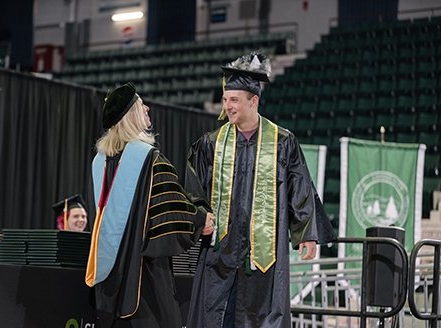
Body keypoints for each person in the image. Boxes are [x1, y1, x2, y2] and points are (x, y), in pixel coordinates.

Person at [184, 52, 337, 327]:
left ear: (254, 101)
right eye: (225, 99)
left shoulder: (282, 142)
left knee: (261, 317)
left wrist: (307, 232)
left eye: (234, 100)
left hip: (263, 255)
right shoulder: (211, 143)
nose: (227, 106)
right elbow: (194, 190)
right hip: (221, 252)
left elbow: (300, 186)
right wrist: (200, 215)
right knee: (217, 316)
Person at [85, 82, 214, 328]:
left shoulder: (100, 161)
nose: (148, 109)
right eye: (142, 106)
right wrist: (199, 219)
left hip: (111, 274)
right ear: (131, 115)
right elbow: (170, 209)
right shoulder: (148, 158)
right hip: (145, 274)